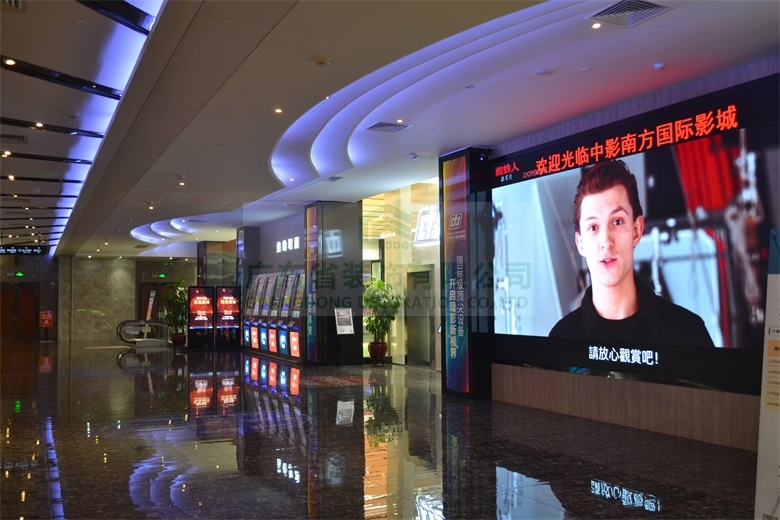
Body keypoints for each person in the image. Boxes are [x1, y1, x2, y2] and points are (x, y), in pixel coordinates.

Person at [549, 159, 714, 346]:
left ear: (636, 230)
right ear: (580, 243)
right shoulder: (561, 339)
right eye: (593, 227)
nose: (606, 241)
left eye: (617, 222)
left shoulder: (688, 333)